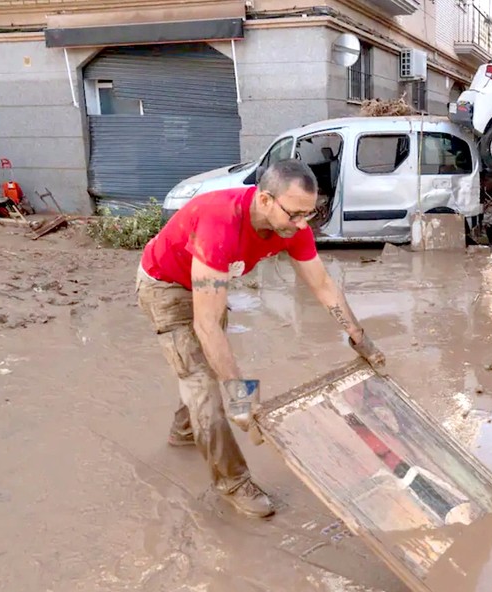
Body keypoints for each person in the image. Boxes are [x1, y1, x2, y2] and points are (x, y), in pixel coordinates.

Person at [135, 159, 385, 518]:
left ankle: (183, 430)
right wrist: (241, 400)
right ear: (265, 200)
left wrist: (360, 338)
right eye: (295, 214)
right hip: (166, 286)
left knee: (200, 367)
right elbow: (206, 326)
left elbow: (323, 285)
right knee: (204, 384)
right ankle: (233, 482)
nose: (302, 225)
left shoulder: (293, 226)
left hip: (209, 284)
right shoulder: (219, 224)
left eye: (309, 215)